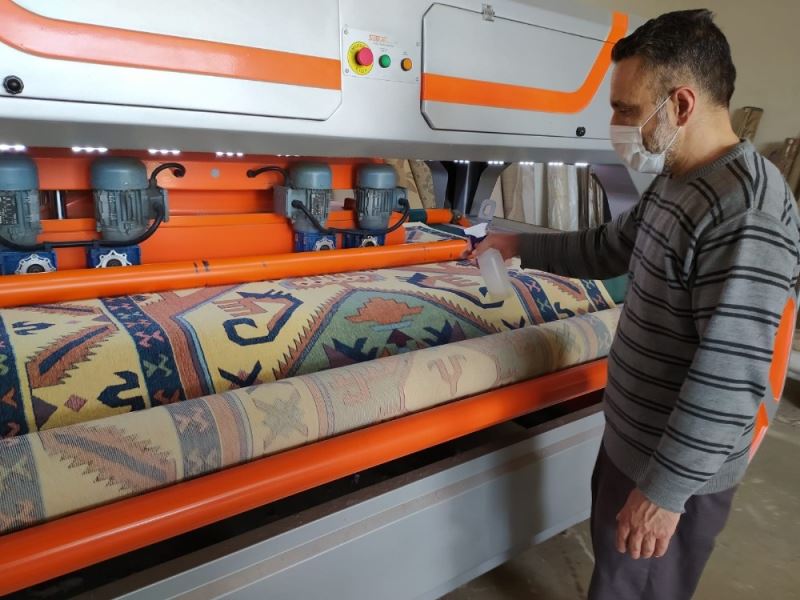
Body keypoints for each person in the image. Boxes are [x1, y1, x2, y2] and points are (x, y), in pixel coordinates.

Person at [468, 9, 800, 600]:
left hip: (673, 471)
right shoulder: (679, 177)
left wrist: (664, 495)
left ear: (681, 105)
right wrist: (518, 245)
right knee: (614, 575)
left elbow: (730, 378)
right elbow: (611, 245)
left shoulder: (745, 215)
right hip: (634, 443)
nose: (616, 125)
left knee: (635, 589)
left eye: (626, 109)